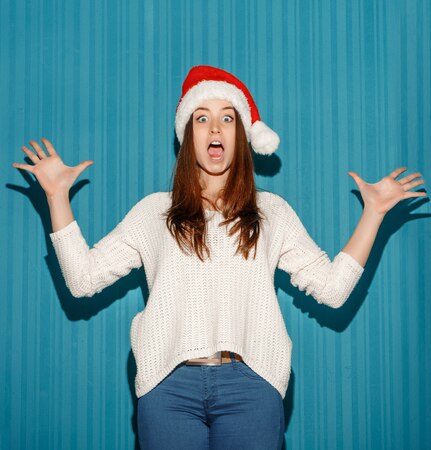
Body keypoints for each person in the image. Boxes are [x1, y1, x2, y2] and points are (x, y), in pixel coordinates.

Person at [12, 65, 425, 450]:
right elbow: (83, 280)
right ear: (188, 133)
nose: (215, 127)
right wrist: (56, 197)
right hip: (168, 388)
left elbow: (333, 290)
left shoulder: (272, 213)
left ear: (242, 135)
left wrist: (373, 213)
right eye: (202, 117)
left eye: (228, 117)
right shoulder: (152, 213)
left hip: (251, 384)